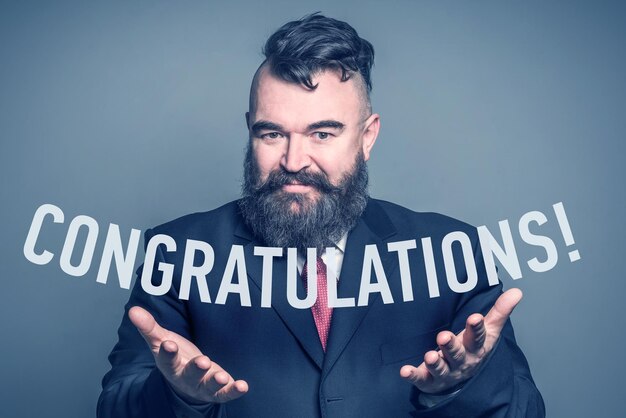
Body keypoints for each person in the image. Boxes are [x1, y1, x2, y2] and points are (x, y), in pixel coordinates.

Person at [97, 13, 545, 418]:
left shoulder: (453, 253)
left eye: (323, 133)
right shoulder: (176, 255)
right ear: (250, 131)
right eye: (272, 133)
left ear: (367, 137)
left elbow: (526, 412)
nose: (294, 160)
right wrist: (181, 396)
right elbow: (116, 408)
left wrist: (460, 385)